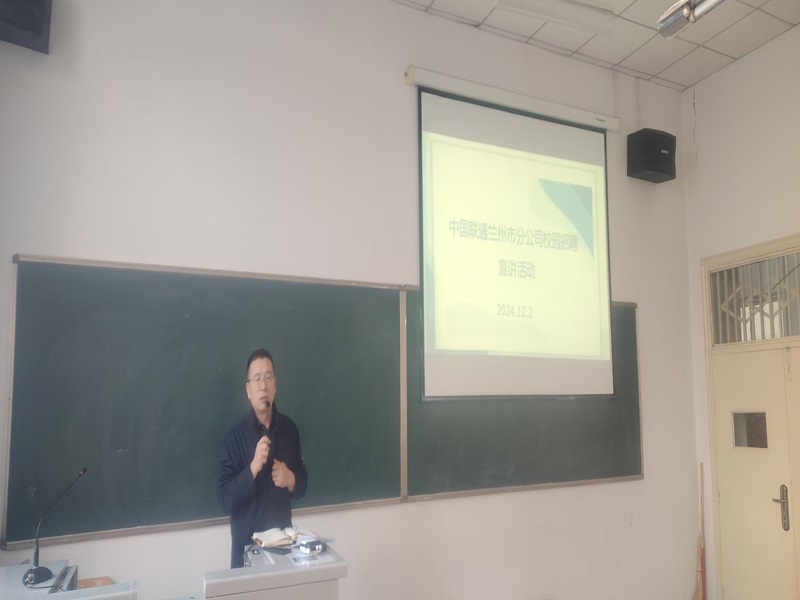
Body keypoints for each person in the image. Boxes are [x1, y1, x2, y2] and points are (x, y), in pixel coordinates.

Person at [219, 348, 308, 568]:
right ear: (248, 389)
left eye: (268, 377)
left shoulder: (289, 430)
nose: (263, 386)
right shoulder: (235, 435)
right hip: (247, 552)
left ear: (275, 385)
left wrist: (291, 479)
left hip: (283, 551)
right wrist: (253, 467)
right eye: (257, 379)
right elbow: (226, 501)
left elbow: (302, 486)